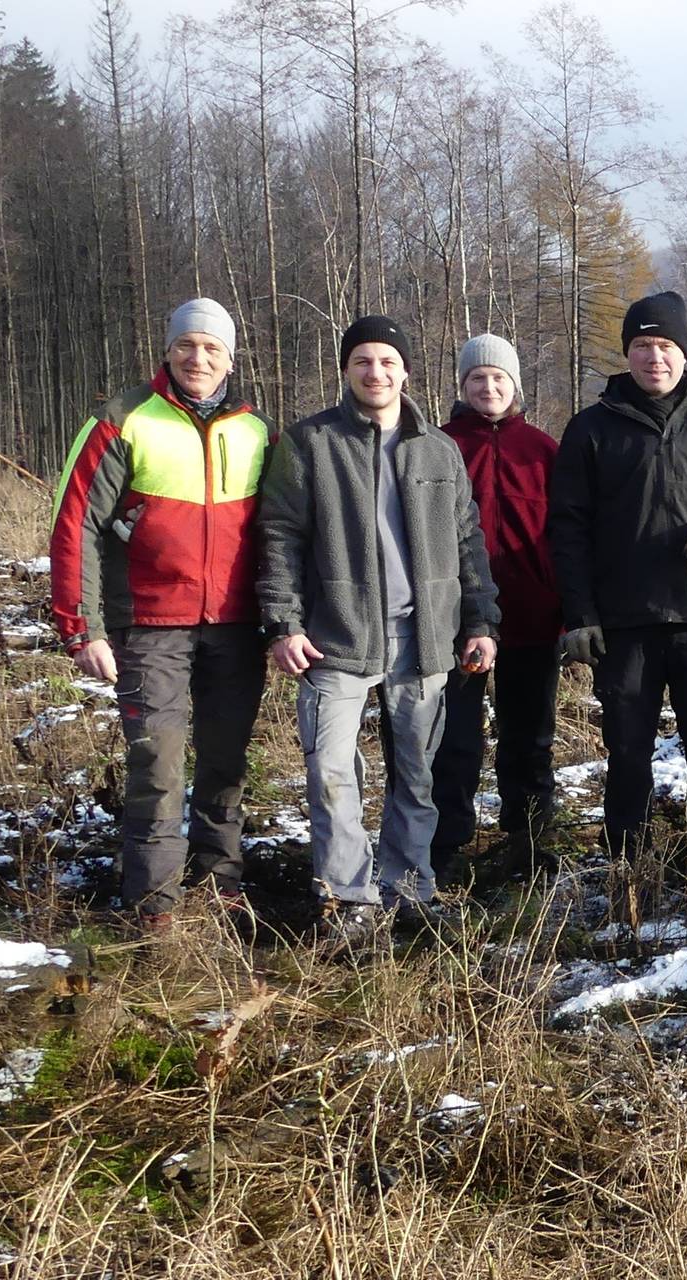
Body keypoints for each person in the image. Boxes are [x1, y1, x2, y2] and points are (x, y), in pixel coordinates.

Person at [255, 315, 500, 938]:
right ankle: (348, 898)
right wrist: (283, 623)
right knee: (332, 768)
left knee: (417, 772)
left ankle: (407, 885)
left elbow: (467, 542)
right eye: (363, 360)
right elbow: (279, 535)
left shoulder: (438, 448)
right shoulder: (310, 442)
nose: (376, 371)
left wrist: (479, 621)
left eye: (388, 361)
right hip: (335, 637)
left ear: (406, 372)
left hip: (424, 639)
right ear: (346, 370)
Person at [48, 298, 273, 932]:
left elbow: (280, 534)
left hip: (235, 627)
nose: (197, 358)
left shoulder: (257, 429)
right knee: (157, 761)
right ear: (167, 350)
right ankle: (153, 901)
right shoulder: (121, 421)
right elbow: (75, 528)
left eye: (211, 348)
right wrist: (81, 626)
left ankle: (219, 874)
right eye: (186, 346)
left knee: (226, 759)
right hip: (149, 626)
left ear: (231, 358)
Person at [546, 291, 687, 856]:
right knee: (626, 748)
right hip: (623, 623)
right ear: (627, 354)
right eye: (643, 346)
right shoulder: (591, 430)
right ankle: (630, 865)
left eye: (666, 346)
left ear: (685, 353)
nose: (655, 358)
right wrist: (579, 616)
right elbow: (567, 530)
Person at [427, 334, 562, 884]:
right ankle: (450, 842)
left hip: (533, 614)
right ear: (462, 386)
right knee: (456, 737)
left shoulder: (542, 449)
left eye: (498, 378)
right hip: (457, 620)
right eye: (477, 378)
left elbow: (566, 530)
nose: (488, 387)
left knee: (529, 733)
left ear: (515, 385)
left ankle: (528, 838)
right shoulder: (438, 445)